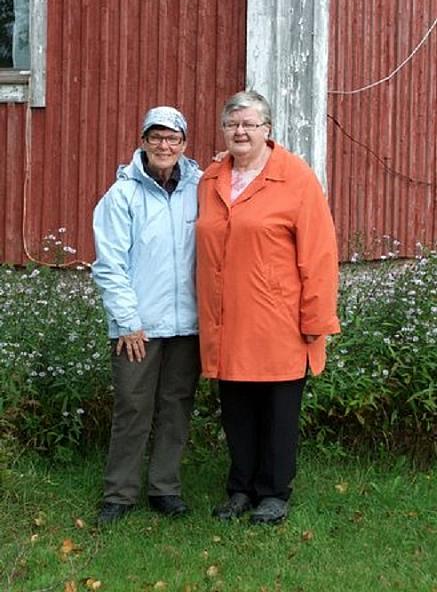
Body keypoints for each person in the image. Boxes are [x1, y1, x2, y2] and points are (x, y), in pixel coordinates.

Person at [196, 90, 340, 525]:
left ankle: (274, 492)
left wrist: (317, 318)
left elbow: (318, 254)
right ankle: (240, 488)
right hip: (226, 319)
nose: (240, 131)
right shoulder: (211, 177)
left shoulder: (294, 177)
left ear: (268, 130)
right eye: (232, 124)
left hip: (278, 321)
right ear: (223, 131)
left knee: (277, 412)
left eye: (249, 124)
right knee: (237, 409)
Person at [92, 106, 201, 524]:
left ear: (184, 145)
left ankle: (165, 488)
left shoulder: (199, 188)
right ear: (142, 142)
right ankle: (119, 494)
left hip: (187, 326)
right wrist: (127, 320)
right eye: (156, 137)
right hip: (138, 327)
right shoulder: (122, 196)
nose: (164, 145)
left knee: (176, 406)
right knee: (133, 407)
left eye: (173, 138)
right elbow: (109, 265)